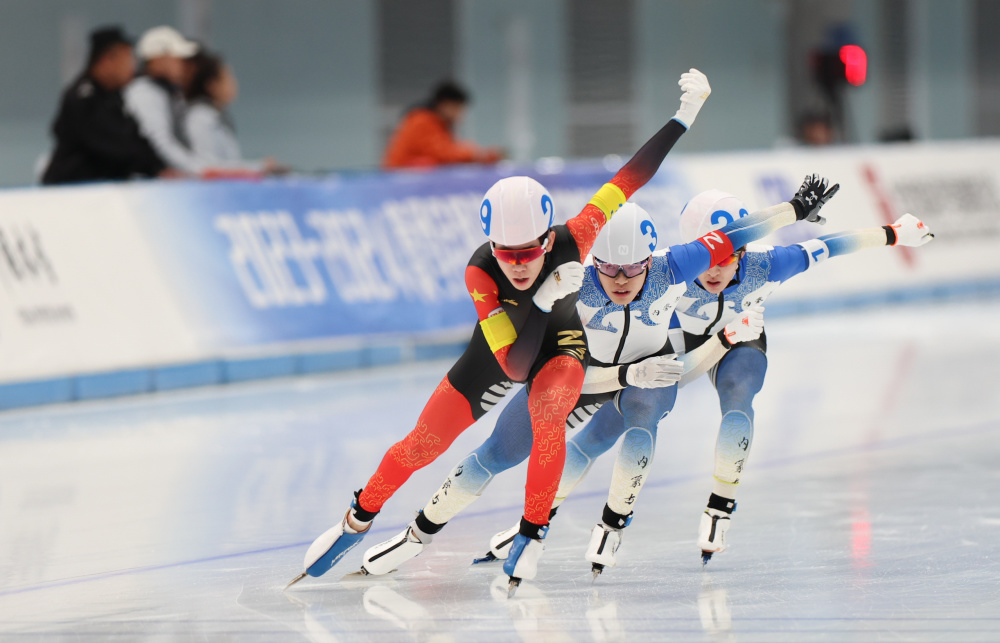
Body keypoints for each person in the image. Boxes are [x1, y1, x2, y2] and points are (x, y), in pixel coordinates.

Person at [288, 69, 716, 592]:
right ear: (490, 247)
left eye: (529, 252)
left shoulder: (576, 236)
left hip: (560, 346)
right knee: (423, 443)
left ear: (546, 237)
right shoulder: (480, 272)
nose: (516, 263)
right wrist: (541, 296)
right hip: (506, 348)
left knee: (549, 420)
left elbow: (629, 178)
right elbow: (513, 365)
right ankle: (354, 521)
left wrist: (685, 115)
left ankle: (531, 536)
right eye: (505, 254)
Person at [356, 175, 839, 592]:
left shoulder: (672, 267)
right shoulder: (574, 287)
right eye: (609, 267)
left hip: (634, 381)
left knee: (622, 431)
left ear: (654, 259)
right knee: (500, 452)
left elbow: (731, 237)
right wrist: (629, 372)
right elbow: (550, 367)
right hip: (586, 379)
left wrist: (793, 210)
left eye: (635, 267)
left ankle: (606, 523)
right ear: (592, 265)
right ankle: (420, 532)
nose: (623, 278)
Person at [490, 190, 935, 575]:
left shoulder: (768, 265)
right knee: (602, 432)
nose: (717, 270)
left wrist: (894, 232)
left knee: (740, 400)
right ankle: (537, 520)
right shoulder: (665, 270)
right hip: (676, 350)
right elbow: (673, 362)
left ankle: (720, 506)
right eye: (712, 257)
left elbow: (830, 245)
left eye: (731, 258)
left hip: (739, 340)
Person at [41, 26, 166, 185]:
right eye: (127, 57)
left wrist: (159, 168)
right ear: (108, 60)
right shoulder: (82, 98)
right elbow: (115, 148)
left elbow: (137, 139)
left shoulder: (114, 96)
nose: (133, 65)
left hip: (102, 191)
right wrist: (152, 168)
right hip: (72, 193)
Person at [183, 51, 281, 175]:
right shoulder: (199, 117)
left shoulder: (217, 116)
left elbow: (229, 162)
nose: (233, 83)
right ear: (212, 86)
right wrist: (259, 167)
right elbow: (208, 166)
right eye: (227, 77)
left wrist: (260, 166)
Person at [124, 26, 203, 175]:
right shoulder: (143, 93)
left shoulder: (165, 93)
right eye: (177, 58)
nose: (182, 64)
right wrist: (200, 171)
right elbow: (161, 144)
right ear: (159, 59)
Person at [382, 81, 503, 169]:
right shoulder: (421, 121)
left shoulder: (439, 124)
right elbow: (443, 154)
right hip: (399, 180)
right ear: (445, 105)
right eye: (458, 108)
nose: (460, 114)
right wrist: (475, 154)